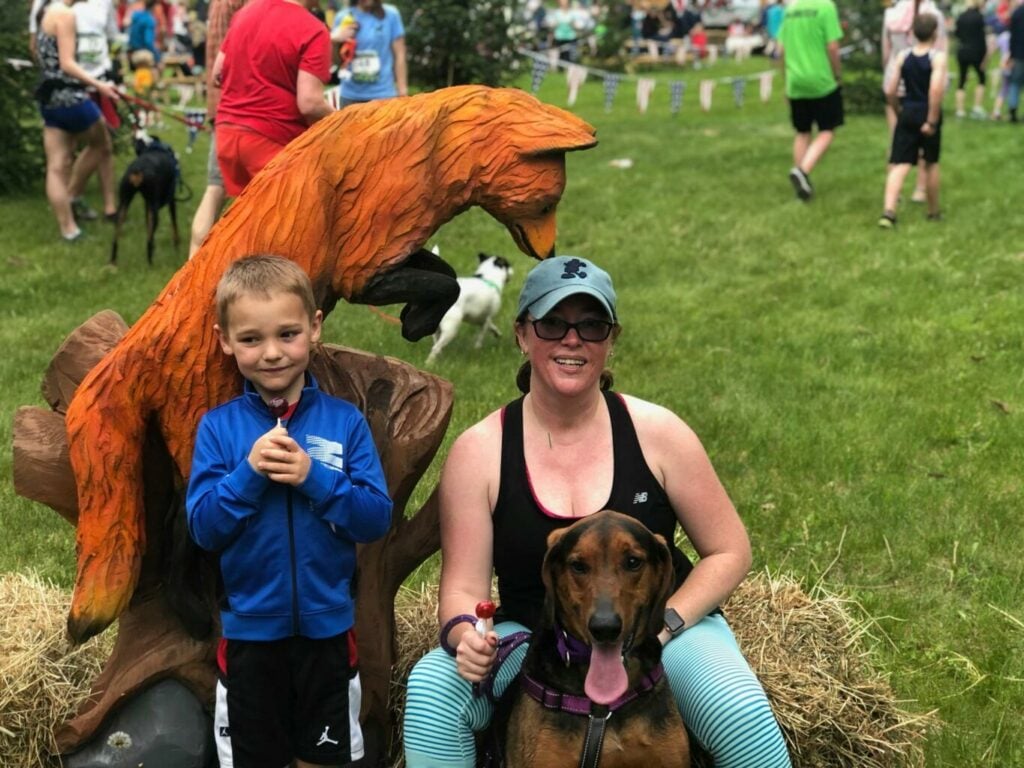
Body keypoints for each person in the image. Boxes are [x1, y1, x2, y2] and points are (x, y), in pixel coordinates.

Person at [403, 256, 792, 768]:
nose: (572, 339)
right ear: (522, 334)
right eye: (552, 323)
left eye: (591, 325)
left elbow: (729, 550)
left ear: (611, 339)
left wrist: (666, 625)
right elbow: (463, 587)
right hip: (535, 637)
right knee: (433, 690)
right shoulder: (481, 451)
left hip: (665, 630)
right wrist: (462, 635)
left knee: (737, 712)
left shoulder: (659, 433)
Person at [186, 254, 393, 768]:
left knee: (322, 760)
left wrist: (314, 478)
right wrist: (247, 475)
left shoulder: (344, 423)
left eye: (288, 334)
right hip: (250, 637)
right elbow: (204, 528)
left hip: (328, 635)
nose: (272, 353)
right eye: (252, 339)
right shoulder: (219, 429)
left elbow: (374, 517)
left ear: (314, 328)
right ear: (225, 340)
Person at [213, 0, 333, 199]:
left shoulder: (246, 11)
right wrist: (344, 121)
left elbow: (217, 74)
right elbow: (310, 103)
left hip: (228, 135)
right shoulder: (314, 29)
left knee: (251, 219)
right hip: (272, 141)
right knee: (293, 224)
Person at [35, 0, 121, 241]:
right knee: (102, 144)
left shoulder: (46, 12)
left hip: (49, 98)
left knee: (56, 164)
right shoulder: (66, 15)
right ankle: (72, 195)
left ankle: (68, 229)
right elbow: (68, 63)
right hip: (71, 98)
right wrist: (100, 85)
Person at [187, 0, 251, 257]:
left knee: (217, 188)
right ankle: (194, 268)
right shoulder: (240, 3)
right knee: (216, 189)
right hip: (237, 104)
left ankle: (197, 267)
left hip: (222, 105)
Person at [879, 12, 947, 228]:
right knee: (930, 163)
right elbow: (935, 90)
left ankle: (888, 211)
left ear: (913, 33)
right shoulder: (937, 57)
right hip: (926, 111)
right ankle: (933, 211)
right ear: (935, 32)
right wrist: (932, 121)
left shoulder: (903, 56)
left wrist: (898, 110)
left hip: (907, 110)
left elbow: (891, 89)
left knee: (900, 163)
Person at [778, 0, 844, 202]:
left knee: (802, 131)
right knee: (827, 130)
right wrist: (837, 73)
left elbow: (781, 49)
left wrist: (786, 78)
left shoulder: (790, 10)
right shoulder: (825, 7)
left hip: (795, 81)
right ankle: (803, 172)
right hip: (821, 79)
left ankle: (801, 183)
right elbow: (832, 46)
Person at [331, 0, 407, 106]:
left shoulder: (391, 15)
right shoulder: (343, 17)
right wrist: (334, 42)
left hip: (383, 95)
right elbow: (336, 61)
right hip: (350, 96)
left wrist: (402, 89)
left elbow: (400, 54)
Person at [954, 0, 991, 119]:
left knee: (962, 79)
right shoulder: (979, 17)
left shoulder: (961, 16)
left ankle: (960, 110)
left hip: (962, 50)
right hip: (976, 52)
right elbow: (982, 38)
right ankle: (977, 107)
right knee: (981, 78)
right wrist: (985, 56)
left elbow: (957, 33)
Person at [1008, 0, 1024, 122]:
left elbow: (1012, 37)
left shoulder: (1016, 13)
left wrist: (1011, 55)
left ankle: (1012, 109)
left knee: (1014, 83)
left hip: (1018, 54)